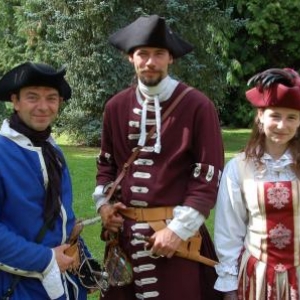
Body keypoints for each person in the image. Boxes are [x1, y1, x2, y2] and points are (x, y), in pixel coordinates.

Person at [92, 15, 224, 300]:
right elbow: (106, 166)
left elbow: (207, 177)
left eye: (159, 54)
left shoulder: (197, 105)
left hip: (176, 240)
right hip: (124, 241)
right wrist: (104, 205)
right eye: (143, 54)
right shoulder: (115, 106)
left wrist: (177, 230)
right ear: (131, 58)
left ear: (170, 59)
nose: (150, 62)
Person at [0, 62, 90, 299]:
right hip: (19, 287)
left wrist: (83, 255)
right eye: (32, 97)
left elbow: (61, 213)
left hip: (65, 284)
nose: (43, 107)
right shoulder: (2, 152)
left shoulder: (51, 150)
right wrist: (46, 259)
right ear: (15, 101)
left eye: (51, 98)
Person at [214, 67, 300, 299]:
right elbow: (228, 230)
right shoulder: (239, 168)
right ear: (260, 116)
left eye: (291, 117)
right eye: (275, 115)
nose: (282, 125)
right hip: (257, 279)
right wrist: (229, 284)